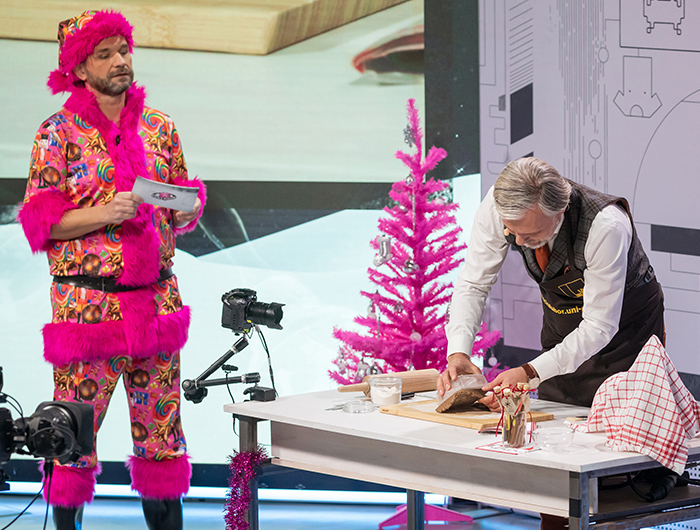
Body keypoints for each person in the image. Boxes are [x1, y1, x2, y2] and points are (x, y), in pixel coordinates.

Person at [18, 10, 206, 530]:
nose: (121, 61)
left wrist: (190, 209)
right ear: (79, 69)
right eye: (105, 54)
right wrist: (105, 212)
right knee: (70, 441)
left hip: (155, 306)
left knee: (163, 442)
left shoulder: (160, 126)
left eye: (123, 50)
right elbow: (40, 224)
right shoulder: (57, 133)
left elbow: (179, 202)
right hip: (88, 311)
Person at [439, 157, 664, 409]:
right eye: (512, 232)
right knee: (557, 419)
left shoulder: (606, 225)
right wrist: (459, 351)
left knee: (619, 422)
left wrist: (529, 372)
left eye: (532, 233)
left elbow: (599, 327)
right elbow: (473, 284)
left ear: (560, 210)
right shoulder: (499, 204)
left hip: (624, 333)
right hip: (562, 323)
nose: (520, 243)